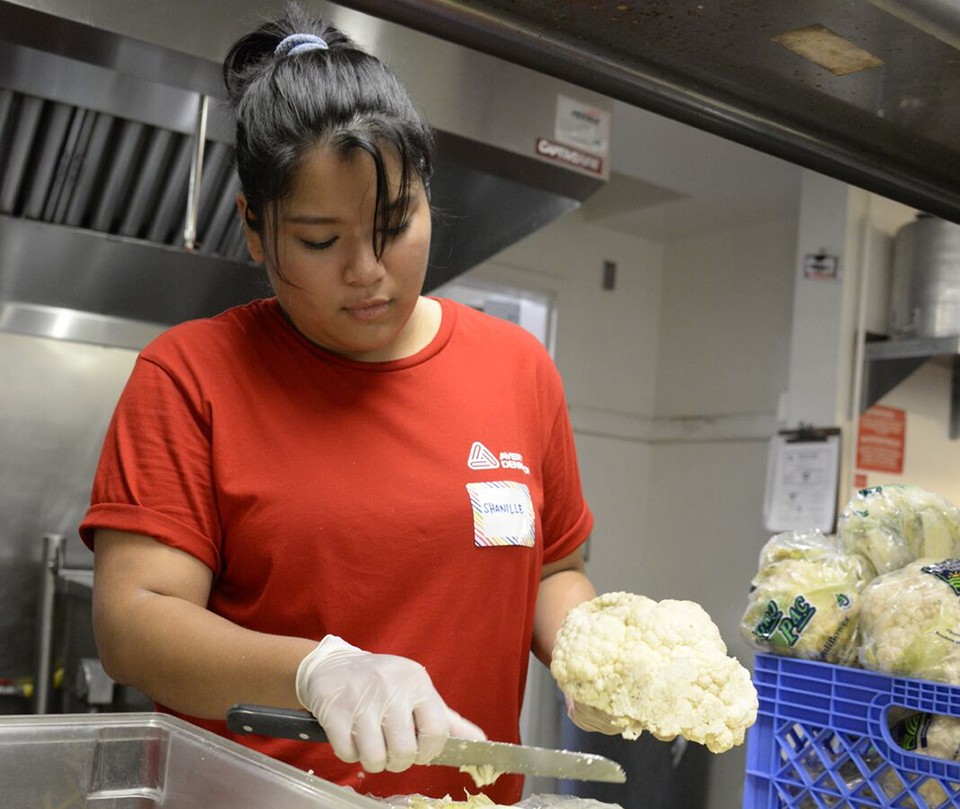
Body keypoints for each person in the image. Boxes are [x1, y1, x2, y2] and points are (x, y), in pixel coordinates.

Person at [80, 3, 619, 803]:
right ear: (255, 230)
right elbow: (133, 621)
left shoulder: (517, 368)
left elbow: (552, 569)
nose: (368, 270)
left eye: (395, 224)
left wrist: (597, 648)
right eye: (322, 241)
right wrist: (315, 669)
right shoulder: (191, 376)